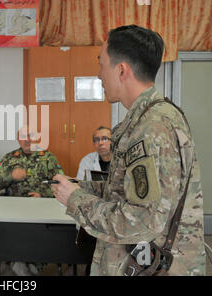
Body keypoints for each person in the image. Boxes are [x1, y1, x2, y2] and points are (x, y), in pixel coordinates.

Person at [51, 25, 206, 276]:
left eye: (101, 64)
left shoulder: (151, 128)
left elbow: (142, 220)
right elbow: (126, 190)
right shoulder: (147, 118)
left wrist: (76, 200)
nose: (99, 74)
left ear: (122, 70)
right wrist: (81, 186)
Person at [0, 125, 64, 275]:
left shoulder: (48, 157)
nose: (27, 140)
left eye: (31, 135)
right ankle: (21, 261)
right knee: (15, 228)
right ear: (18, 138)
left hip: (41, 206)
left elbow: (60, 183)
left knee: (42, 230)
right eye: (23, 136)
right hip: (15, 206)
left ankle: (33, 263)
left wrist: (43, 194)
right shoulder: (9, 157)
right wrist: (11, 176)